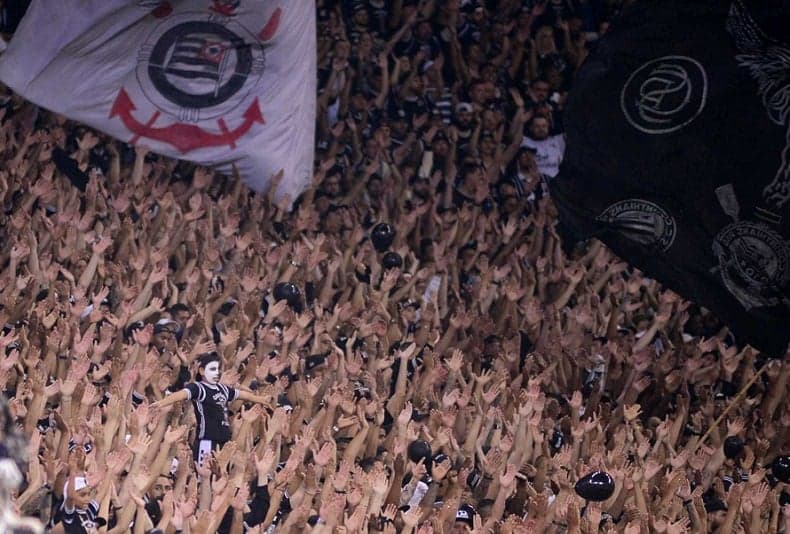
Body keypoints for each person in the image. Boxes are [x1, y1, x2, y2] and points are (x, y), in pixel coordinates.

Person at [152, 353, 270, 466]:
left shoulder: (223, 389)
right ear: (202, 371)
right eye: (213, 369)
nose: (217, 372)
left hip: (224, 441)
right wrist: (162, 402)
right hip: (207, 441)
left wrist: (260, 399)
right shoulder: (198, 388)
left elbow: (243, 395)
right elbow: (181, 394)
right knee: (204, 475)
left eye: (218, 369)